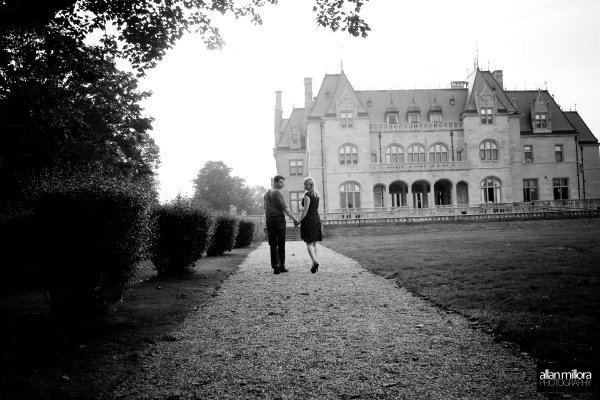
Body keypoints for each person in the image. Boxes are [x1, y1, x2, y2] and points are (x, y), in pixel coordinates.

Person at [264, 175, 299, 274]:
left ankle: (275, 266)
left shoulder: (267, 193)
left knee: (273, 244)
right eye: (280, 182)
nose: (282, 184)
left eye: (283, 182)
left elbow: (265, 208)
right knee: (281, 243)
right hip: (278, 219)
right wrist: (294, 219)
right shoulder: (277, 193)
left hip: (269, 220)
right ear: (275, 182)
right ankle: (282, 266)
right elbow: (285, 208)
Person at [294, 177, 322, 273]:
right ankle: (314, 263)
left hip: (309, 220)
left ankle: (314, 262)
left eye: (306, 184)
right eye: (304, 184)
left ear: (311, 185)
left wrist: (299, 221)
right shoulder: (316, 194)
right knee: (314, 243)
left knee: (309, 243)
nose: (304, 186)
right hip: (316, 219)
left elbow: (306, 211)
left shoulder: (307, 195)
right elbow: (310, 208)